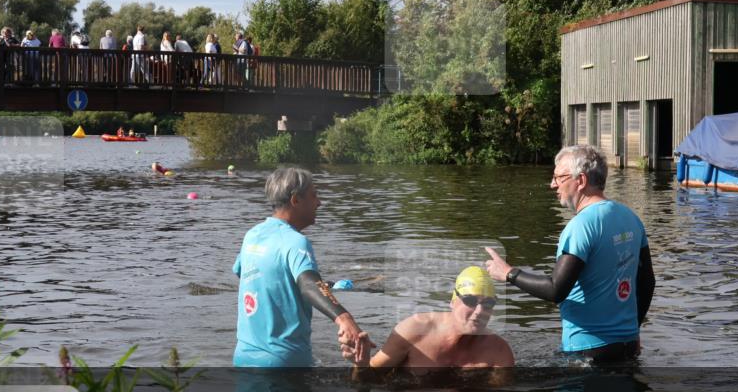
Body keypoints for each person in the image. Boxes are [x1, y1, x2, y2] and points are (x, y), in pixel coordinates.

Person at [485, 145, 655, 363]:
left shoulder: (581, 226)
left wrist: (509, 273)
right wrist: (634, 329)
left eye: (558, 177)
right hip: (628, 346)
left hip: (587, 351)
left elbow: (556, 290)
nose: (552, 184)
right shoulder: (631, 217)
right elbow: (647, 282)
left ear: (581, 181)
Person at [232, 166, 373, 367]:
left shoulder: (252, 235)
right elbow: (308, 285)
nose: (319, 202)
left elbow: (245, 272)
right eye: (314, 195)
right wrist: (344, 318)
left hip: (243, 358)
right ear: (295, 200)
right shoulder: (295, 241)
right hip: (285, 362)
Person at [340, 266, 514, 370]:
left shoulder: (498, 352)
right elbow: (367, 382)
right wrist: (361, 365)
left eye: (488, 304)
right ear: (452, 301)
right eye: (470, 300)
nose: (479, 311)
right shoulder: (413, 331)